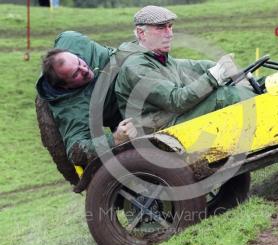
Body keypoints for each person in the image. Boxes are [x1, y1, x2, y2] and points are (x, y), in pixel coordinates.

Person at [115, 5, 256, 134]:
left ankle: (263, 91)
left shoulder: (157, 57)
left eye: (170, 26)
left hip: (169, 117)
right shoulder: (136, 67)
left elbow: (191, 66)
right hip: (158, 129)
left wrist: (223, 67)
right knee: (223, 96)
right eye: (161, 28)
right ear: (141, 33)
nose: (169, 34)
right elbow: (175, 100)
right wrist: (214, 76)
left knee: (233, 88)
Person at [36, 31, 136, 166]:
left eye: (79, 62)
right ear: (66, 86)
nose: (84, 69)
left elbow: (63, 36)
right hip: (128, 111)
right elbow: (76, 151)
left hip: (140, 67)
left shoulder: (70, 40)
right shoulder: (73, 107)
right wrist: (115, 139)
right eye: (75, 74)